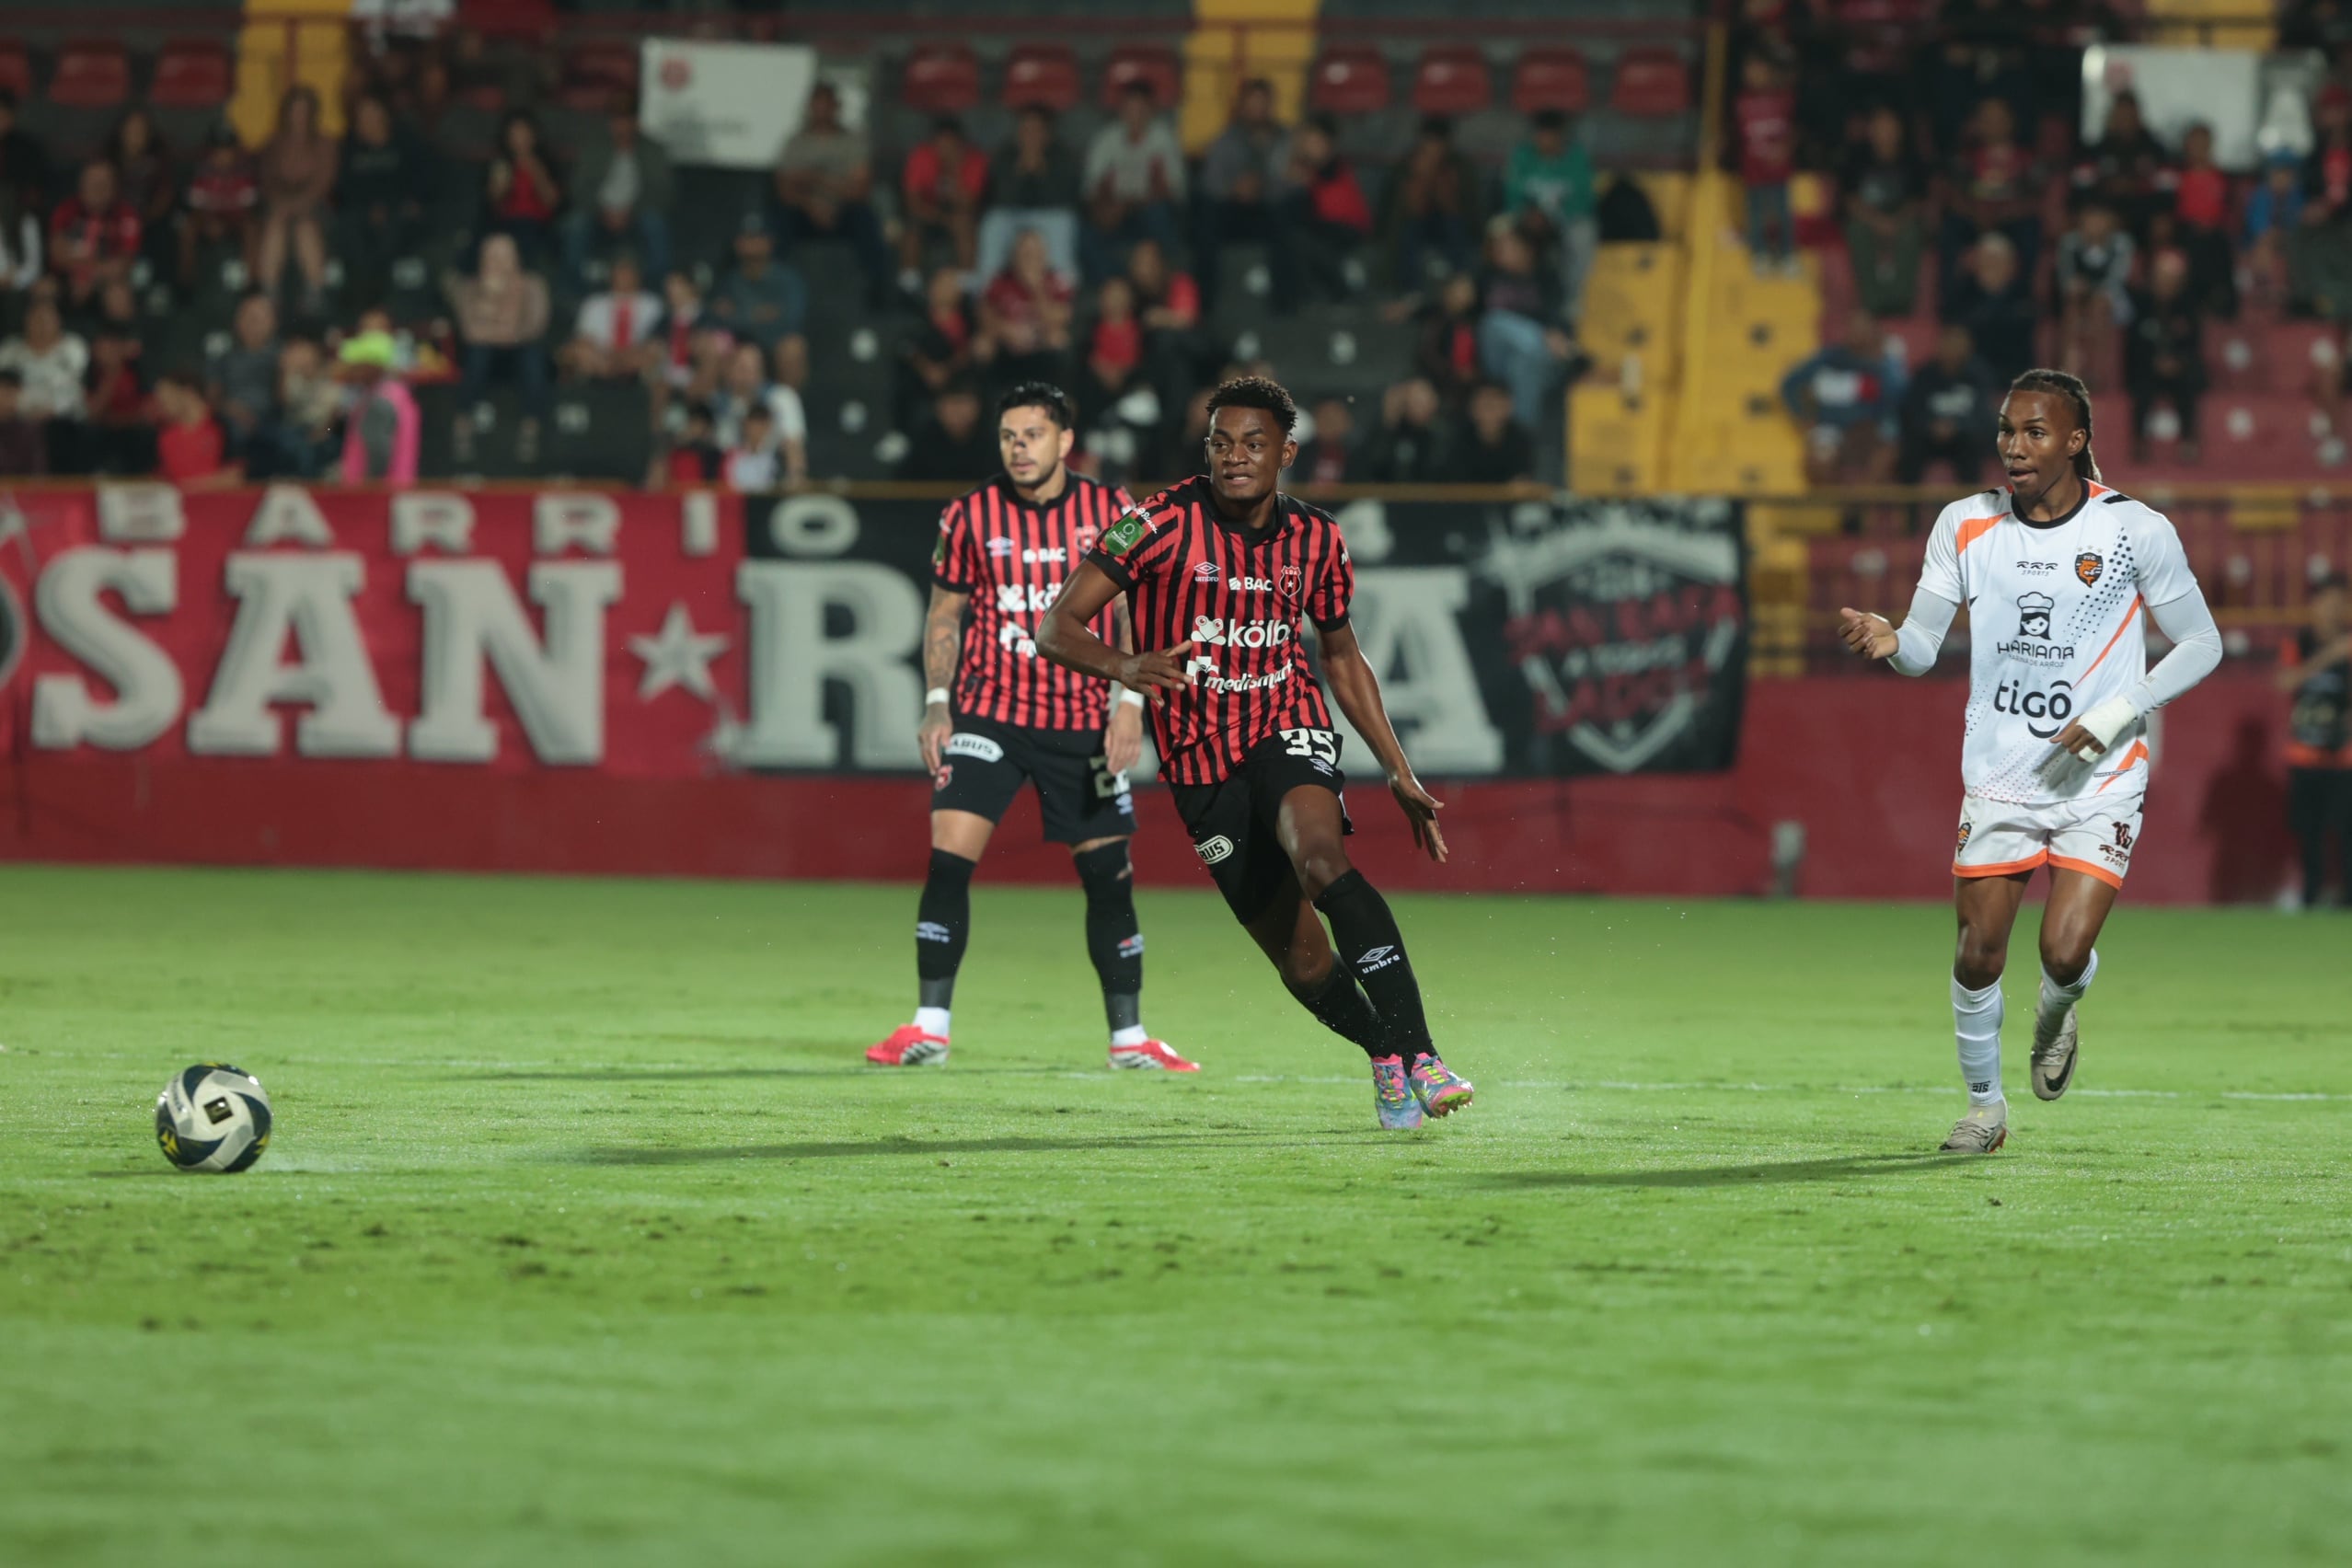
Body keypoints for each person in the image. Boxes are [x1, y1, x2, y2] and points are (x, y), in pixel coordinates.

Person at [1037, 375, 1473, 1127]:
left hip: (1286, 722)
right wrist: (1122, 667)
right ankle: (1384, 1055)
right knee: (1302, 962)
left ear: (1287, 452)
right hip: (1200, 761)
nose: (1236, 457)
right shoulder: (1155, 526)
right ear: (1206, 451)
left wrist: (1398, 770)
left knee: (1322, 862)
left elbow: (1341, 658)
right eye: (1221, 443)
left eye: (1254, 443)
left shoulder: (1317, 538)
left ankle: (1421, 1051)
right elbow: (1056, 626)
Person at [1838, 369, 2222, 1153]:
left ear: (2075, 442)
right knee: (1978, 954)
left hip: (2100, 777)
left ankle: (2056, 1013)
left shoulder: (2132, 531)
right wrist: (1891, 640)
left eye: (2034, 432)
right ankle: (1985, 1109)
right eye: (2007, 430)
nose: (2014, 446)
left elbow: (2202, 643)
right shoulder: (1965, 524)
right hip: (2002, 776)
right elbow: (1920, 646)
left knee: (2063, 950)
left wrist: (2120, 713)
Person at [867, 381, 1193, 1072]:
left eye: (1033, 435)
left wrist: (1129, 703)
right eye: (1010, 436)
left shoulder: (1114, 511)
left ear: (1065, 441)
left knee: (1110, 875)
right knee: (949, 856)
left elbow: (1140, 603)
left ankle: (1129, 1041)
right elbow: (945, 615)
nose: (1020, 448)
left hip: (1081, 722)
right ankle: (929, 1027)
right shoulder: (969, 515)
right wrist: (935, 700)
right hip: (989, 713)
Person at [772, 84, 890, 305]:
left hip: (843, 211)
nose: (822, 111)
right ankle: (774, 285)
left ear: (836, 107)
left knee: (866, 219)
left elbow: (861, 190)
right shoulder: (796, 143)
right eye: (817, 105)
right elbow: (785, 190)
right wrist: (811, 204)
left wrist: (815, 178)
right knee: (779, 219)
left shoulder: (853, 142)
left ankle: (877, 290)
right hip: (805, 211)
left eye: (827, 105)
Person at [2278, 571, 2352, 909]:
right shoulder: (2302, 642)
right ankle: (2310, 897)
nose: (2333, 610)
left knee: (2347, 834)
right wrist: (2329, 656)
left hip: (2345, 757)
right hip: (2305, 754)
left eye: (2340, 603)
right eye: (2327, 602)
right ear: (2315, 606)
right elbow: (2284, 682)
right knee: (2309, 834)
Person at [444, 232, 551, 464]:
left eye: (505, 257)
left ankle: (530, 429)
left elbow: (535, 328)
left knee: (533, 358)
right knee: (476, 356)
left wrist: (499, 324)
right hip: (483, 355)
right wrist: (488, 301)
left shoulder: (532, 285)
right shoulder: (470, 288)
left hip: (519, 353)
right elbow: (469, 331)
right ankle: (463, 426)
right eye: (492, 257)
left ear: (516, 259)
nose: (499, 264)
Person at [1193, 78, 1286, 311]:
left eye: (1262, 103)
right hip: (1231, 212)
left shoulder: (1284, 140)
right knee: (1205, 216)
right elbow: (1210, 184)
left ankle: (1284, 303)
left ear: (1271, 106)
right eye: (1252, 103)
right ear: (1242, 106)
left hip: (1267, 211)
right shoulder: (1226, 139)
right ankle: (1205, 302)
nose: (1257, 109)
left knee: (1289, 216)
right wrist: (1234, 189)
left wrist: (1261, 187)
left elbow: (1292, 183)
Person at [559, 105, 674, 292]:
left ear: (636, 123)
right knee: (575, 225)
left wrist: (631, 211)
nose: (622, 127)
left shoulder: (654, 150)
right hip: (598, 212)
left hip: (637, 212)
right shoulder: (594, 148)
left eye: (627, 121)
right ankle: (573, 286)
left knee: (655, 224)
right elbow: (578, 189)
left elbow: (663, 192)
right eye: (618, 121)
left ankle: (656, 287)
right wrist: (604, 210)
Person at [1080, 80, 1184, 282]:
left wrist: (1134, 201)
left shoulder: (1163, 139)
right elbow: (1090, 192)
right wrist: (1107, 208)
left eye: (1141, 108)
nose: (1135, 114)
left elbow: (1175, 191)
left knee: (1159, 214)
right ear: (1121, 110)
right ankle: (1116, 287)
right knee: (1086, 236)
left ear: (1151, 110)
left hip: (1150, 211)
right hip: (1114, 213)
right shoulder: (1106, 140)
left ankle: (1169, 286)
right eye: (1130, 108)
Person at [1781, 313, 1898, 485]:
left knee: (1887, 454)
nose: (1857, 333)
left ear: (1874, 332)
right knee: (1819, 460)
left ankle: (1858, 504)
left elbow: (1896, 397)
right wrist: (1802, 416)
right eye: (1854, 328)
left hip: (1866, 430)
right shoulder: (1829, 358)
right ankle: (1832, 506)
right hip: (1830, 428)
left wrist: (1888, 361)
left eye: (1863, 328)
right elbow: (1790, 384)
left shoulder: (1881, 366)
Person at [1271, 115, 1371, 309]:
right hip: (1322, 225)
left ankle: (1337, 289)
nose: (1310, 147)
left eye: (1316, 142)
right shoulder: (1308, 169)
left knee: (1297, 233)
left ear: (1329, 144)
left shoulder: (1332, 165)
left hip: (1348, 226)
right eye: (1308, 142)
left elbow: (1315, 183)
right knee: (1288, 226)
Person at [335, 93, 427, 304]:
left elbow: (421, 180)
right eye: (362, 115)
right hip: (361, 212)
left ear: (384, 114)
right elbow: (344, 189)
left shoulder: (405, 140)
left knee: (391, 228)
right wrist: (370, 209)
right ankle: (359, 295)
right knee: (349, 227)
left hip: (400, 211)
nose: (368, 120)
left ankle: (381, 297)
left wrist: (397, 205)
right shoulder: (350, 147)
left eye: (372, 112)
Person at [1504, 110, 1597, 314]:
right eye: (1540, 136)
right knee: (1502, 230)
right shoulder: (1523, 155)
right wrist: (1528, 213)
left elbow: (1584, 200)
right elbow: (1512, 195)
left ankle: (1571, 300)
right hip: (1530, 217)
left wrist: (1554, 215)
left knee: (1583, 234)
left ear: (1559, 136)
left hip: (1565, 220)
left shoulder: (1576, 157)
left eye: (1549, 136)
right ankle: (1506, 297)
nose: (1544, 141)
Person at [1841, 105, 1928, 318]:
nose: (1885, 132)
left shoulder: (1912, 159)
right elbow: (1850, 200)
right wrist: (1877, 221)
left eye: (1890, 127)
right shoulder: (1856, 158)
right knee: (1856, 231)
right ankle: (1872, 303)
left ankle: (1901, 302)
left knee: (1911, 233)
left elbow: (1917, 201)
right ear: (1870, 130)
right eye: (1880, 127)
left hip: (1902, 218)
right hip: (1867, 217)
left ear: (1900, 130)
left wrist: (1896, 222)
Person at [256, 86, 338, 311]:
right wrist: (282, 204)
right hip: (280, 205)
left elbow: (323, 182)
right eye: (295, 110)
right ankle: (269, 292)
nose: (299, 115)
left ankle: (314, 291)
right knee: (275, 224)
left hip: (316, 207)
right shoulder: (275, 142)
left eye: (304, 110)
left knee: (305, 226)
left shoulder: (324, 143)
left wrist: (300, 204)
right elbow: (267, 180)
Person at [979, 106, 1081, 287]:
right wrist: (1020, 171)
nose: (1031, 136)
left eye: (1036, 130)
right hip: (1012, 214)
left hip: (1050, 215)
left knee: (1064, 221)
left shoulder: (1063, 156)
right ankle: (988, 287)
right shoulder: (1004, 155)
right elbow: (1001, 198)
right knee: (993, 222)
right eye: (1026, 130)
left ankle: (1063, 287)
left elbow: (1064, 198)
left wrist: (1041, 170)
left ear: (1047, 134)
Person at [2124, 249, 2205, 463]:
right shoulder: (2141, 303)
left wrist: (2177, 362)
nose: (2166, 285)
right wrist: (2153, 362)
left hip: (2178, 368)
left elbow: (2193, 344)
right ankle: (2139, 442)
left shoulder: (2187, 306)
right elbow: (2132, 344)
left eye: (2171, 280)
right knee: (2142, 392)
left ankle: (2189, 442)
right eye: (2162, 279)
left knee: (2187, 388)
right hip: (2146, 368)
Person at [1382, 118, 1481, 293]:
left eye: (1438, 143)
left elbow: (1466, 211)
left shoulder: (1460, 166)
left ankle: (1459, 285)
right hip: (1417, 221)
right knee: (1409, 231)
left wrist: (1443, 184)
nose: (1434, 149)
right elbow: (1407, 210)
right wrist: (1423, 179)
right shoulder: (1408, 165)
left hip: (1450, 221)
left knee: (1455, 226)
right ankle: (1409, 290)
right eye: (1429, 142)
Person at [710, 213, 808, 387]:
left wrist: (740, 316)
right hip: (738, 344)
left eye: (758, 238)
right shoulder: (730, 280)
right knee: (711, 344)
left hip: (773, 343)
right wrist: (758, 315)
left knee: (793, 347)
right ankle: (718, 409)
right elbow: (717, 318)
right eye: (747, 238)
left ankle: (786, 406)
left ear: (770, 242)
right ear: (738, 244)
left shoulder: (787, 279)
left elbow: (791, 319)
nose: (752, 244)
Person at [1897, 323, 2001, 485]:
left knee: (1973, 448)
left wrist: (1957, 426)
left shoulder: (1978, 375)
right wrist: (1931, 426)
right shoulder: (1924, 375)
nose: (1953, 349)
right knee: (1910, 449)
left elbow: (1983, 414)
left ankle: (1971, 505)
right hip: (1928, 435)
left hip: (1964, 436)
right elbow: (1912, 411)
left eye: (1958, 344)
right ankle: (1910, 508)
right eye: (1949, 343)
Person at [976, 227, 1074, 387]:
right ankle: (991, 405)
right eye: (1025, 253)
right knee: (982, 345)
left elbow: (1061, 318)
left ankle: (1056, 401)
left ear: (1043, 255)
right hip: (1008, 344)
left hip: (1041, 341)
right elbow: (984, 315)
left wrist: (1036, 288)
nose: (1029, 258)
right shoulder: (1001, 280)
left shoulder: (1056, 280)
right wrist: (1005, 329)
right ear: (1014, 256)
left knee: (1059, 339)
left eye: (1034, 253)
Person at [0, 298, 88, 469]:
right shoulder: (9, 351)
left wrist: (53, 409)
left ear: (58, 321)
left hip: (62, 421)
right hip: (16, 419)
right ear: (26, 321)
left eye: (46, 319)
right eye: (36, 318)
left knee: (59, 431)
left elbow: (76, 390)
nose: (41, 324)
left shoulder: (73, 349)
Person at [899, 116, 986, 287]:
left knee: (963, 223)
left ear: (961, 144)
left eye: (950, 145)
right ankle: (909, 285)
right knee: (911, 229)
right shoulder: (921, 156)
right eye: (940, 144)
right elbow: (913, 202)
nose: (944, 150)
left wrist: (954, 170)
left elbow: (969, 203)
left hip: (961, 213)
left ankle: (967, 285)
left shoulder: (975, 160)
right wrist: (942, 219)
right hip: (928, 213)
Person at [2054, 202, 2134, 384]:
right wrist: (2075, 286)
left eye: (2100, 220)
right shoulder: (2070, 243)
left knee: (2099, 305)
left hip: (2113, 300)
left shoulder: (2121, 243)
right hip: (2079, 300)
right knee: (2072, 308)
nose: (2095, 224)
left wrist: (2095, 290)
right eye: (2090, 219)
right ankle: (2070, 369)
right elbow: (2065, 277)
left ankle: (2097, 372)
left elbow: (2117, 279)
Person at [1943, 231, 2035, 387]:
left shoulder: (2023, 296)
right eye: (1985, 260)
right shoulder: (1962, 295)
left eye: (1996, 261)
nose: (1989, 266)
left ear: (2010, 266)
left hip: (2010, 375)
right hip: (1967, 378)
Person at [48, 160, 142, 313]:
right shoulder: (66, 210)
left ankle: (118, 337)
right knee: (44, 289)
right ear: (81, 185)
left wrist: (89, 276)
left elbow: (122, 265)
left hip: (105, 282)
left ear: (114, 187)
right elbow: (58, 254)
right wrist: (80, 274)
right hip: (67, 278)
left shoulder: (126, 214)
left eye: (103, 183)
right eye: (92, 183)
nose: (97, 189)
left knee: (119, 297)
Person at [1732, 52, 1795, 272]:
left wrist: (1786, 147)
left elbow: (1794, 130)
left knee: (1783, 214)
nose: (1754, 76)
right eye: (1749, 72)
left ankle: (1787, 255)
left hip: (1779, 171)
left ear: (1769, 73)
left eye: (1759, 71)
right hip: (1753, 172)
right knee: (1756, 214)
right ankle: (1759, 254)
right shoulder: (1741, 102)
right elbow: (1735, 135)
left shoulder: (1783, 99)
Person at [708, 340, 806, 482]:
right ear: (729, 370)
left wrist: (796, 480)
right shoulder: (717, 403)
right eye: (742, 369)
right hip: (727, 482)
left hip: (772, 479)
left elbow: (793, 445)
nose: (748, 376)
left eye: (754, 369)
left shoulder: (782, 397)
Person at [206, 292, 282, 466]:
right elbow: (212, 397)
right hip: (231, 425)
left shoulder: (282, 356)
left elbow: (285, 400)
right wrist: (231, 409)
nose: (253, 323)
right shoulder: (223, 358)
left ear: (273, 322)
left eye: (259, 318)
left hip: (272, 425)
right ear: (237, 321)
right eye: (248, 317)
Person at [181, 123, 258, 292]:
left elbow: (247, 208)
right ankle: (186, 281)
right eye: (218, 151)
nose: (222, 156)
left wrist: (226, 222)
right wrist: (210, 221)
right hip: (208, 218)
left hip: (235, 219)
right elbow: (196, 206)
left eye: (227, 151)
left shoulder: (244, 170)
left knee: (251, 229)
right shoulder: (201, 170)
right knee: (188, 228)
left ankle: (252, 282)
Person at [564, 252, 663, 382]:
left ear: (638, 276)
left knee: (656, 352)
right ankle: (606, 373)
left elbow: (656, 340)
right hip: (602, 357)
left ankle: (623, 373)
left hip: (636, 355)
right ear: (611, 277)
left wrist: (625, 355)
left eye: (628, 274)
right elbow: (583, 338)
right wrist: (608, 355)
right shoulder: (594, 303)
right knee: (575, 352)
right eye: (619, 273)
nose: (624, 278)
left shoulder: (652, 303)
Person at [482, 109, 560, 269]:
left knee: (528, 233)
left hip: (539, 225)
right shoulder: (501, 164)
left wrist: (536, 170)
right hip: (506, 224)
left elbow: (553, 202)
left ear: (533, 135)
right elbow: (491, 202)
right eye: (515, 134)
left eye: (524, 133)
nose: (520, 139)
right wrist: (501, 184)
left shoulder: (546, 163)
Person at [896, 379, 995, 481]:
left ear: (978, 407)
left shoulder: (992, 441)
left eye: (963, 403)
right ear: (938, 407)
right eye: (951, 404)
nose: (957, 411)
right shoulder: (925, 439)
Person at [154, 371, 239, 488]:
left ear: (189, 393)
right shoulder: (163, 435)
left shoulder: (222, 426)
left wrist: (185, 488)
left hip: (217, 503)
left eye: (168, 396)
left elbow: (235, 478)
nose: (163, 403)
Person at [1444, 380, 1537, 483]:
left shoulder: (1521, 438)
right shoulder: (1458, 437)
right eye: (1485, 404)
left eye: (1495, 404)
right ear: (1472, 407)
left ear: (1509, 406)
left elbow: (1523, 478)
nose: (1489, 411)